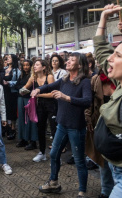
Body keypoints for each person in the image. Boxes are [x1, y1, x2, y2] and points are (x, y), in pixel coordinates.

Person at [31, 52, 92, 198]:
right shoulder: (64, 79)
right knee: (53, 154)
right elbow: (50, 86)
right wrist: (39, 89)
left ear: (80, 65)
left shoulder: (84, 82)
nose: (68, 62)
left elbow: (87, 101)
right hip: (61, 125)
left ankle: (82, 191)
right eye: (68, 59)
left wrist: (67, 97)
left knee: (79, 161)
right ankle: (54, 183)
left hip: (76, 127)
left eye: (72, 60)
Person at [93, 4, 122, 198]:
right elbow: (101, 51)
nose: (110, 58)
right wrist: (104, 17)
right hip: (113, 165)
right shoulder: (119, 82)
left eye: (118, 55)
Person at [85, 68, 115, 198]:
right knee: (104, 161)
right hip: (101, 124)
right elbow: (90, 102)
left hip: (117, 127)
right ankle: (106, 191)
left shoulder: (118, 81)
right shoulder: (96, 79)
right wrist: (88, 119)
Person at [30, 59, 56, 162]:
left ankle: (55, 156)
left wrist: (38, 94)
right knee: (40, 128)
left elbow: (53, 94)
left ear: (43, 67)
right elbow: (26, 87)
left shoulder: (49, 77)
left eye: (37, 65)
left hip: (51, 105)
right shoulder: (34, 78)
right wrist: (23, 90)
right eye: (34, 65)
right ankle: (42, 152)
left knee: (54, 130)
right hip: (40, 105)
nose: (34, 66)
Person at [15, 60, 38, 150]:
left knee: (30, 119)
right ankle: (23, 139)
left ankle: (32, 140)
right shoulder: (21, 75)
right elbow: (16, 86)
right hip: (21, 98)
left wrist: (23, 88)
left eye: (27, 65)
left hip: (29, 98)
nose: (25, 67)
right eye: (24, 65)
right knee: (21, 119)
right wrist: (21, 89)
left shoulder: (33, 76)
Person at [3, 54, 21, 140]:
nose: (8, 59)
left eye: (9, 58)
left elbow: (18, 82)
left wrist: (9, 83)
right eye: (7, 58)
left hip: (12, 93)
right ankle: (8, 128)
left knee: (12, 111)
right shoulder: (4, 69)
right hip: (4, 92)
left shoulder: (17, 71)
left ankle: (13, 129)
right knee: (6, 110)